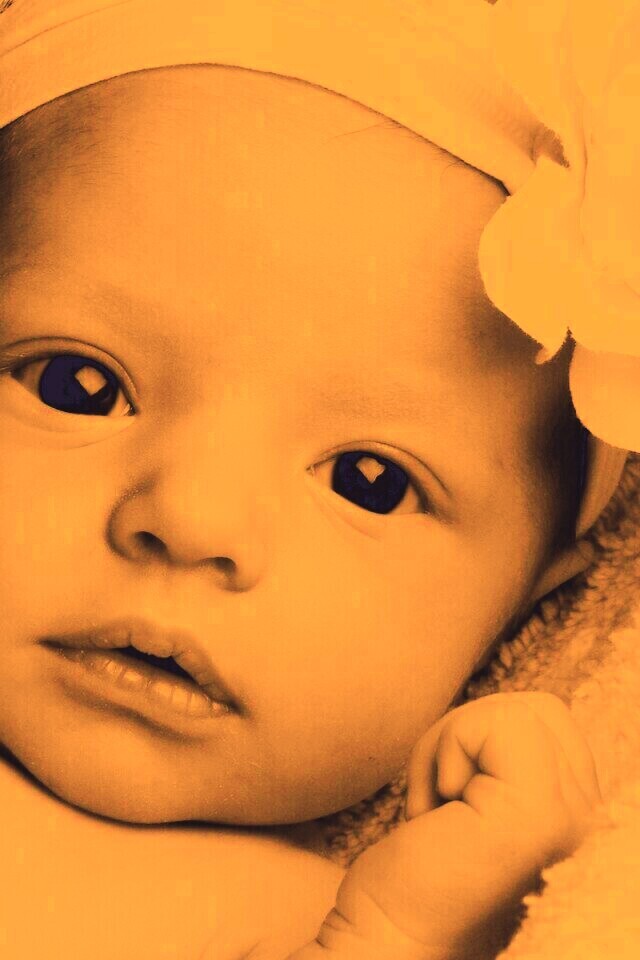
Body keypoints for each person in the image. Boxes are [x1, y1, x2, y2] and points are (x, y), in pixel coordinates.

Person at [0, 1, 636, 957]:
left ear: (527, 604)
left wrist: (416, 933)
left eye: (368, 481)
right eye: (76, 387)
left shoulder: (327, 922)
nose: (192, 518)